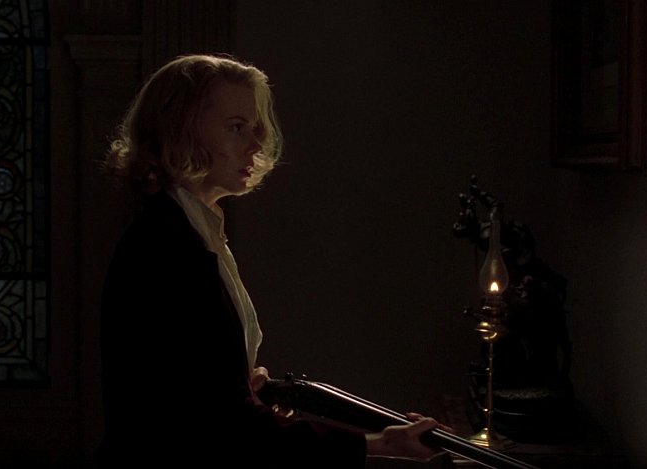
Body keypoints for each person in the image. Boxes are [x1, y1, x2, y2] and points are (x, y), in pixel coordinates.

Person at [98, 53, 447, 468]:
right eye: (236, 128)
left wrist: (244, 389)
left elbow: (201, 395)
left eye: (255, 128)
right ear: (181, 128)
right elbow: (212, 425)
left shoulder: (195, 232)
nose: (256, 145)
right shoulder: (167, 247)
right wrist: (379, 443)